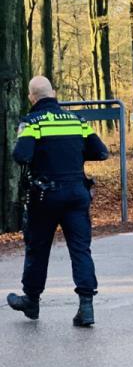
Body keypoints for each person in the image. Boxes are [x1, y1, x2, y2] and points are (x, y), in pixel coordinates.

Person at [6, 76, 108, 326]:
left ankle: (31, 300)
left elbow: (21, 155)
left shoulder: (32, 121)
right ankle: (86, 307)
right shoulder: (77, 121)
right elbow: (100, 151)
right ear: (53, 93)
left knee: (38, 248)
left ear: (32, 97)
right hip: (77, 194)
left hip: (46, 195)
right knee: (80, 250)